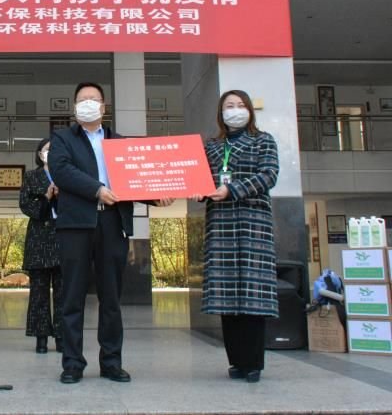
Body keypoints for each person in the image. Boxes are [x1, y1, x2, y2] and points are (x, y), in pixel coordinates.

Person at [49, 82, 172, 384]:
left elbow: (133, 181)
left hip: (112, 223)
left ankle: (112, 362)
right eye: (82, 99)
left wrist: (155, 195)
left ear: (104, 107)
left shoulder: (121, 143)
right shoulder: (62, 138)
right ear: (74, 107)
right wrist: (97, 189)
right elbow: (62, 171)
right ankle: (72, 363)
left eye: (93, 99)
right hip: (76, 225)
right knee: (72, 297)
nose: (88, 103)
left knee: (112, 298)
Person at [192, 89, 279, 383]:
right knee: (226, 294)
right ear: (221, 113)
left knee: (252, 294)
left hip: (253, 222)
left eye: (240, 105)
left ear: (250, 110)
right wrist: (197, 189)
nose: (235, 110)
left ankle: (253, 363)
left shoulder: (264, 140)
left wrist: (232, 189)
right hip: (221, 224)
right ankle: (236, 361)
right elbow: (202, 178)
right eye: (229, 105)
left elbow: (268, 176)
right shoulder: (212, 146)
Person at [19, 138, 63, 354]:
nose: (51, 153)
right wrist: (46, 197)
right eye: (47, 149)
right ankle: (41, 338)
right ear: (39, 154)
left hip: (63, 236)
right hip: (39, 238)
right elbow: (25, 205)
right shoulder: (31, 176)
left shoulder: (67, 174)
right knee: (38, 292)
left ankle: (63, 337)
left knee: (64, 292)